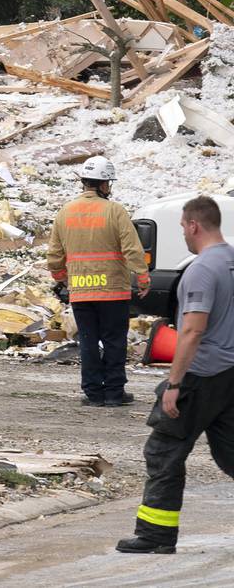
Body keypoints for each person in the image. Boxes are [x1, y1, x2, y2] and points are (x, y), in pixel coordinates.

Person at [117, 195, 234, 554]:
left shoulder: (201, 270)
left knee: (163, 451)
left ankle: (155, 536)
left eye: (183, 226)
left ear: (194, 225)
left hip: (200, 375)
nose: (183, 232)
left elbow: (192, 331)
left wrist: (174, 383)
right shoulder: (231, 261)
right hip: (231, 374)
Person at [46, 156, 150, 407]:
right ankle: (114, 393)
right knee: (114, 341)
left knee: (88, 341)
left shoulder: (65, 212)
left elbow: (55, 255)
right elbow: (132, 248)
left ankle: (93, 393)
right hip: (113, 290)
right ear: (104, 185)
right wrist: (143, 277)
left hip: (81, 290)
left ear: (84, 182)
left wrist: (62, 279)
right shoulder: (115, 211)